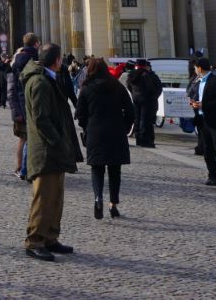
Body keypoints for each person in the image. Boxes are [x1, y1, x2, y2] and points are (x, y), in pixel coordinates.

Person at [22, 43, 81, 261]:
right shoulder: (39, 82)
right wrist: (56, 140)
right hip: (46, 149)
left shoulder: (46, 79)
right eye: (61, 58)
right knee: (43, 197)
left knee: (55, 197)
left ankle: (50, 237)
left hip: (54, 149)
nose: (63, 62)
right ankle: (35, 240)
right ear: (56, 60)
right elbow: (40, 119)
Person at [76, 58, 134, 220]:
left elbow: (80, 113)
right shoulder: (117, 86)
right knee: (115, 169)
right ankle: (113, 204)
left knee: (97, 168)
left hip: (95, 132)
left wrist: (86, 126)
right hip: (116, 131)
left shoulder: (86, 88)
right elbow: (130, 110)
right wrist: (125, 127)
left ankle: (98, 198)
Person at [190, 57, 216, 189]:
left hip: (215, 120)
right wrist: (194, 103)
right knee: (207, 150)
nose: (195, 70)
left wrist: (203, 105)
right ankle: (212, 176)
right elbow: (195, 96)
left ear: (200, 68)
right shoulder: (197, 82)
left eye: (195, 68)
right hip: (202, 120)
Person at [9, 34, 40, 180]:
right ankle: (24, 168)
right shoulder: (34, 60)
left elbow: (11, 88)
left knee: (24, 138)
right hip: (27, 104)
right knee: (26, 138)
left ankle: (22, 167)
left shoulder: (16, 61)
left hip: (22, 105)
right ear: (36, 44)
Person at [126, 59, 163, 148]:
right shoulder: (147, 75)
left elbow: (128, 86)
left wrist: (134, 94)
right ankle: (145, 140)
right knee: (145, 120)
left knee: (137, 119)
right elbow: (153, 88)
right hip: (147, 100)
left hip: (136, 99)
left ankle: (138, 138)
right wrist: (153, 97)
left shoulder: (131, 75)